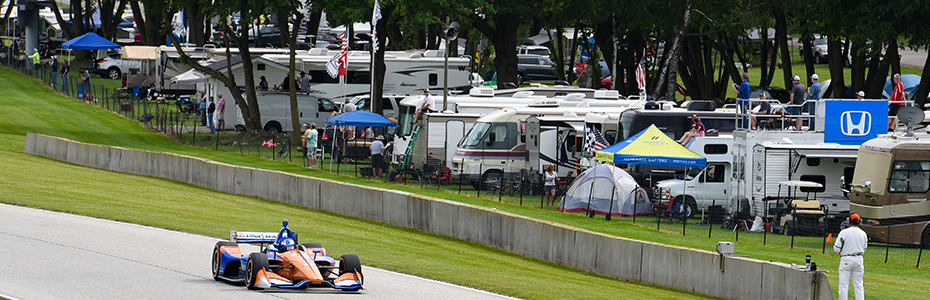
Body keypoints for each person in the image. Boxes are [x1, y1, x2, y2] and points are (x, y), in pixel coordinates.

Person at [834, 213, 867, 300]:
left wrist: (842, 251)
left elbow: (836, 248)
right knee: (859, 285)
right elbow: (864, 248)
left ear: (849, 221)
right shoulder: (863, 233)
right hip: (859, 259)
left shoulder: (844, 232)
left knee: (843, 285)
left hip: (846, 258)